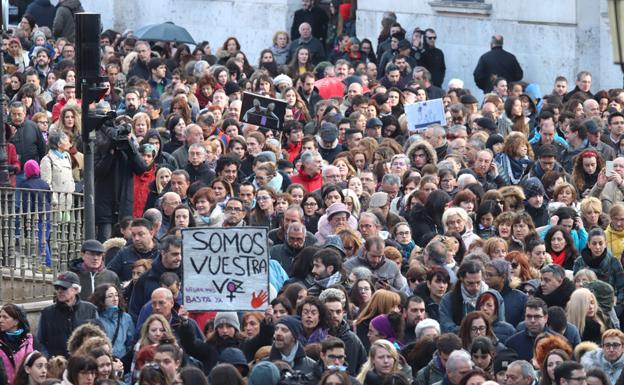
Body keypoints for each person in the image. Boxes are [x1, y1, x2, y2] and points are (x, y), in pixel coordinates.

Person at [37, 271, 98, 357]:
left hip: (84, 364)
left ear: (76, 290)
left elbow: (98, 339)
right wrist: (48, 359)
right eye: (57, 288)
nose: (60, 291)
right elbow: (40, 341)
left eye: (64, 288)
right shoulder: (47, 313)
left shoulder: (90, 310)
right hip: (57, 366)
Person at [439, 261, 488, 333]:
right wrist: (471, 330)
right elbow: (446, 326)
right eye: (470, 283)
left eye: (478, 282)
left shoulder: (491, 297)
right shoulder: (448, 299)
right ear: (461, 278)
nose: (475, 287)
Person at [89, 283, 135, 359]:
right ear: (101, 299)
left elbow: (130, 343)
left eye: (116, 295)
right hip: (103, 360)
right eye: (110, 296)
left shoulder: (126, 318)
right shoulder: (95, 318)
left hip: (122, 361)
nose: (115, 299)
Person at [0, 304, 38, 383]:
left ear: (16, 321)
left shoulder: (31, 340)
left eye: (5, 317)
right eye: (0, 316)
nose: (0, 320)